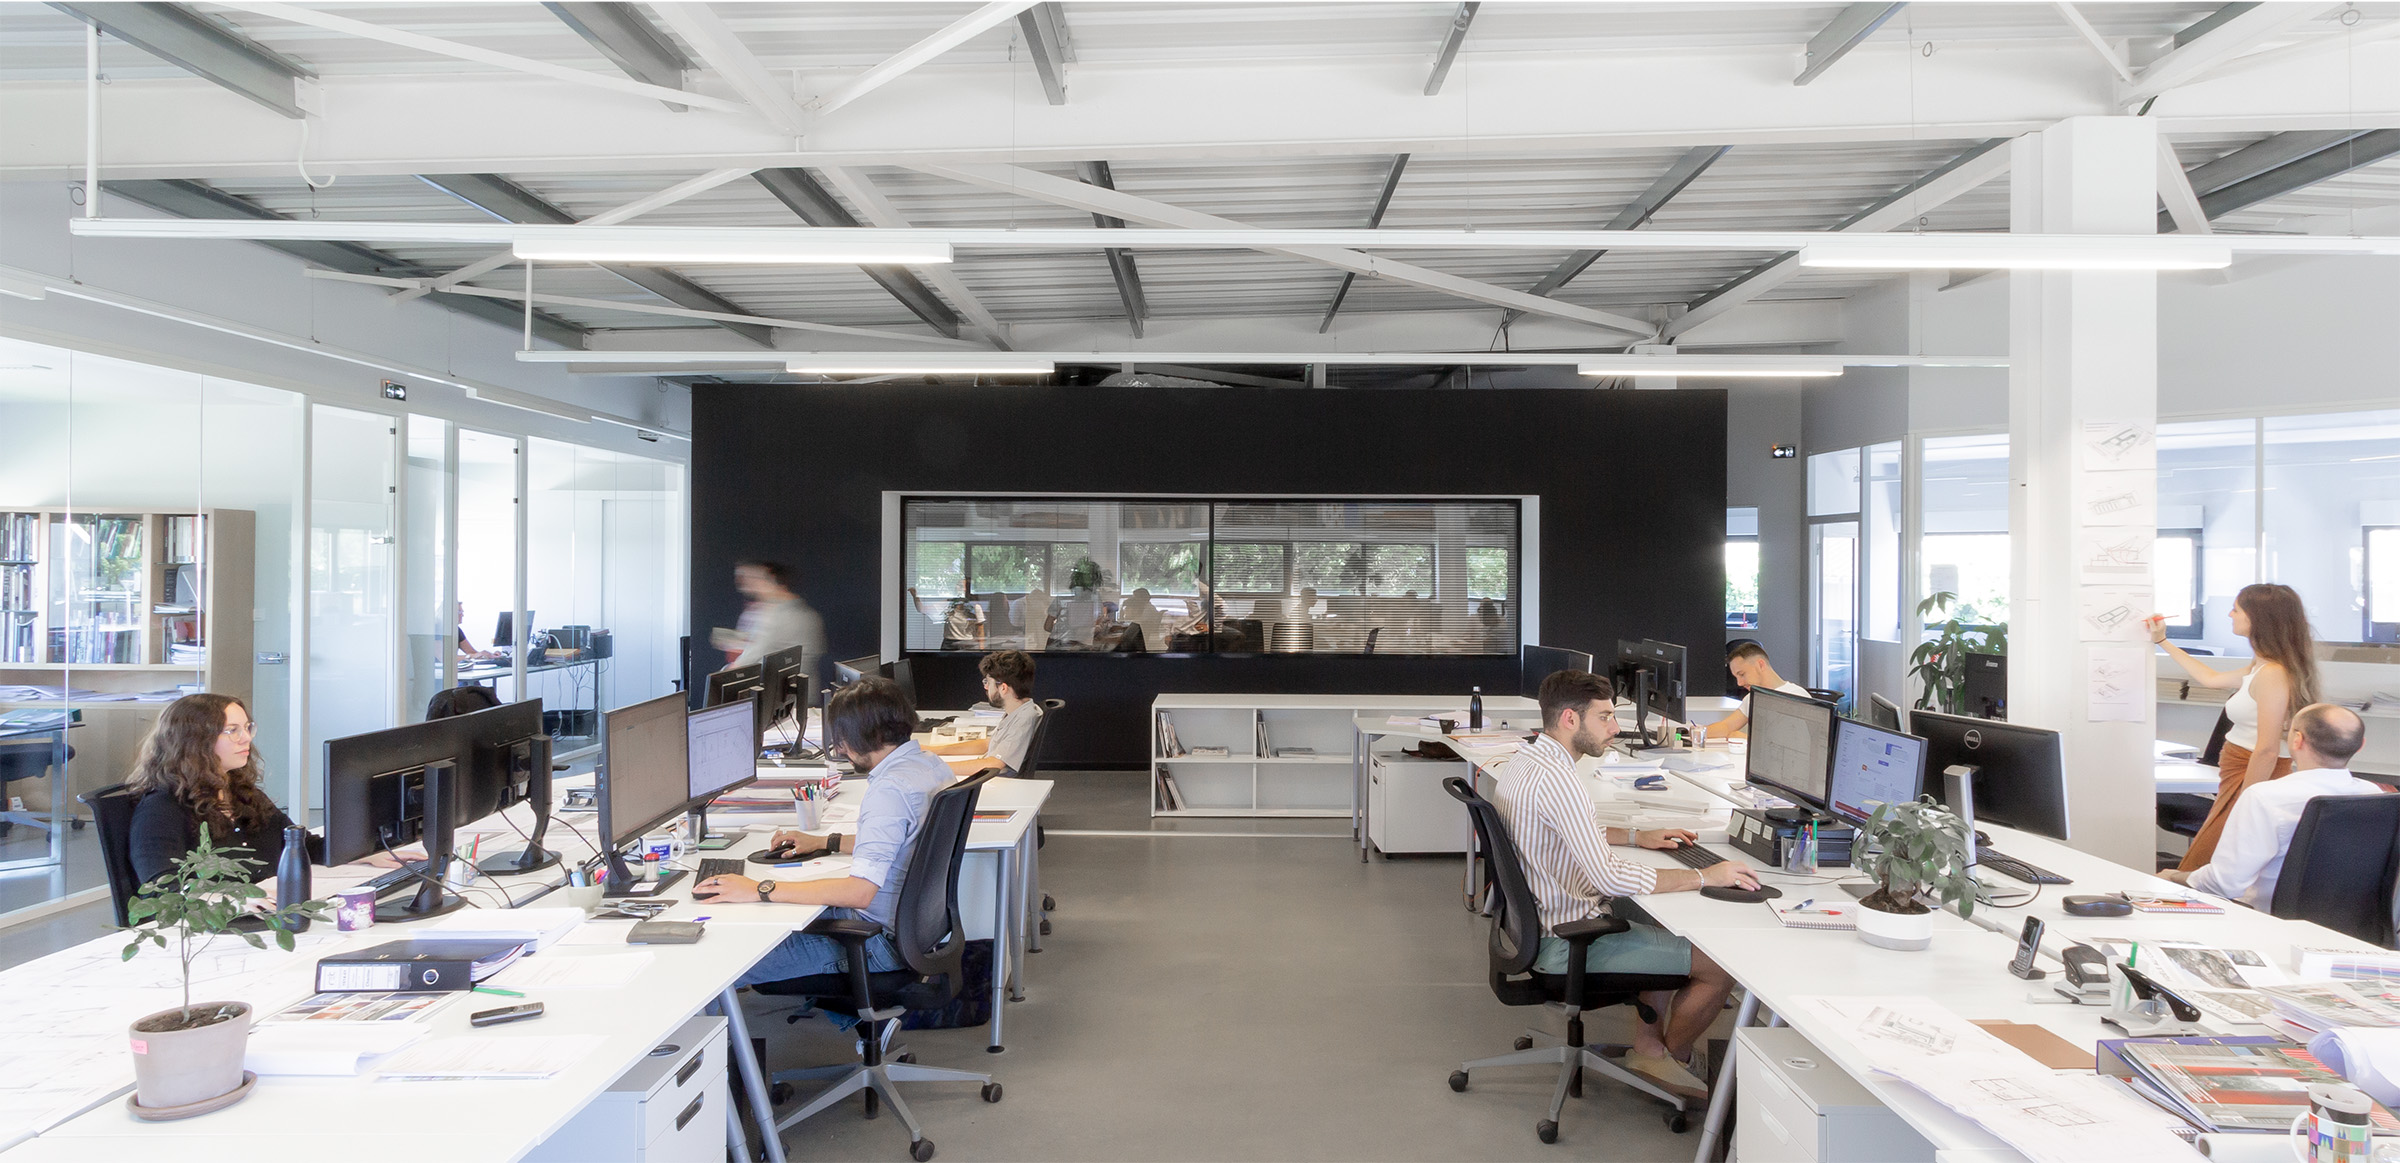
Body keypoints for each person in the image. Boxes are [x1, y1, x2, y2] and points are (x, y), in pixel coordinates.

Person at [1493, 669, 1759, 1099]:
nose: (1615, 728)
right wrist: (1703, 876)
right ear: (1569, 720)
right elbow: (1609, 876)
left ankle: (1649, 1046)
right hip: (1563, 940)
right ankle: (1664, 1060)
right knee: (1720, 967)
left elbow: (1569, 829)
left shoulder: (1529, 760)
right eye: (1605, 718)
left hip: (1534, 926)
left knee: (1665, 927)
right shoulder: (1560, 781)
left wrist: (1638, 836)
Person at [698, 678, 949, 1024]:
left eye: (843, 739)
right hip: (915, 932)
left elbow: (860, 892)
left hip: (875, 943)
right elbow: (904, 842)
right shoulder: (930, 767)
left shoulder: (889, 790)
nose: (842, 749)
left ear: (866, 737)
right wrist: (824, 842)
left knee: (715, 965)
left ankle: (724, 1076)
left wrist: (760, 889)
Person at [2156, 583, 2321, 872]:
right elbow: (2209, 678)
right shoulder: (2261, 667)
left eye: (2236, 609)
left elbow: (2268, 750)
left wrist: (2247, 803)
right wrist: (2163, 641)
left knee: (2204, 866)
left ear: (2257, 618)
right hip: (2236, 774)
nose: (2229, 614)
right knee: (2203, 865)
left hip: (2251, 775)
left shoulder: (2273, 674)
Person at [2160, 704, 2374, 909]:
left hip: (2266, 918)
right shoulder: (2375, 796)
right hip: (2357, 929)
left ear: (2297, 740)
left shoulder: (2264, 796)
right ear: (2362, 745)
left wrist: (2174, 876)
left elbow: (2224, 883)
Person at [126, 693, 319, 885]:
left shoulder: (240, 791)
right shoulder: (160, 808)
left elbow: (300, 846)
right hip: (219, 913)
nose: (246, 738)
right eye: (232, 730)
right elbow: (162, 887)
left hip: (266, 905)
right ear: (196, 740)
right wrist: (235, 901)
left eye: (246, 728)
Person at [1695, 643, 1809, 742]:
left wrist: (1747, 739)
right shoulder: (1752, 697)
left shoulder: (1796, 696)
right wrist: (1694, 733)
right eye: (1736, 677)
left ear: (1760, 665)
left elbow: (1792, 744)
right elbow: (1726, 726)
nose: (1739, 683)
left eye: (1742, 674)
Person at [732, 560, 826, 669]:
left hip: (781, 684)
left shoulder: (775, 617)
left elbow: (747, 661)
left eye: (757, 580)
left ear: (774, 582)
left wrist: (722, 676)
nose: (752, 586)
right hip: (803, 683)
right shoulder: (810, 615)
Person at [979, 650, 1044, 773]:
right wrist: (937, 750)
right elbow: (989, 744)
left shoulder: (1023, 719)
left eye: (987, 682)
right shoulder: (1017, 710)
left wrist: (941, 767)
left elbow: (995, 764)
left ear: (1003, 688)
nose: (985, 687)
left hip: (997, 781)